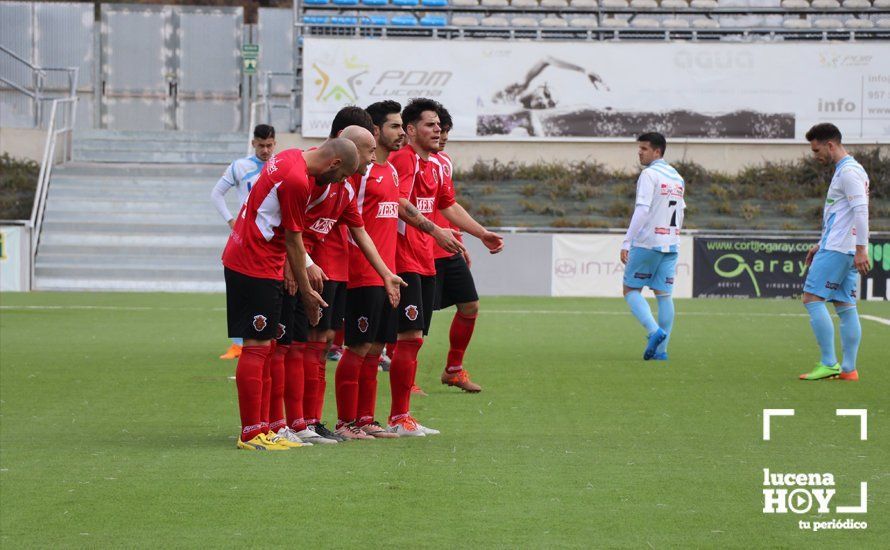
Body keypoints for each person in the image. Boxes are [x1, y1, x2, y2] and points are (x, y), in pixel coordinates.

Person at [223, 138, 359, 450]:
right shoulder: (298, 180)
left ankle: (265, 428)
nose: (338, 183)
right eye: (341, 176)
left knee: (268, 347)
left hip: (261, 261)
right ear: (334, 163)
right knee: (257, 347)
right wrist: (309, 294)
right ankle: (250, 433)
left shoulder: (290, 156)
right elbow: (294, 241)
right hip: (252, 262)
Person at [387, 98, 503, 437]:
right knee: (404, 337)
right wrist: (435, 230)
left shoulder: (437, 165)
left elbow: (447, 205)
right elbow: (399, 203)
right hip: (401, 258)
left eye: (440, 125)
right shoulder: (404, 159)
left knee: (414, 337)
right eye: (430, 125)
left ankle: (401, 415)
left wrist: (481, 233)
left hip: (425, 258)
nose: (438, 130)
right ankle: (396, 417)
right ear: (410, 130)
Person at [301, 108, 379, 442]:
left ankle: (311, 420)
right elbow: (291, 229)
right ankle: (294, 421)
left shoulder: (344, 186)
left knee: (323, 343)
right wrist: (303, 265)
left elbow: (359, 231)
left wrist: (386, 273)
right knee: (298, 345)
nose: (370, 158)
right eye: (367, 148)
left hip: (335, 270)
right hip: (308, 269)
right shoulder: (309, 174)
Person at [332, 100, 406, 439]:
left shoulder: (390, 171)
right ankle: (345, 421)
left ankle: (365, 419)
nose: (401, 132)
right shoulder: (359, 172)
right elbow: (349, 224)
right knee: (358, 347)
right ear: (375, 131)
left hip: (387, 272)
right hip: (362, 273)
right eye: (394, 126)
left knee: (376, 349)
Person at [798, 123, 870, 381]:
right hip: (843, 247)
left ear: (830, 145)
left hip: (840, 248)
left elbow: (861, 212)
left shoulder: (848, 173)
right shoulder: (853, 170)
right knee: (845, 306)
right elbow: (842, 215)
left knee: (812, 299)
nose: (814, 155)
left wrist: (862, 248)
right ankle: (849, 369)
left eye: (816, 149)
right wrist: (820, 243)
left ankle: (829, 363)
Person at [427, 105, 483, 393]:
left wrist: (460, 243)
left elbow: (447, 206)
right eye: (439, 130)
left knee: (470, 305)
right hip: (422, 248)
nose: (443, 136)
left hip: (448, 248)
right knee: (412, 322)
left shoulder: (444, 162)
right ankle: (407, 381)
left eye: (446, 131)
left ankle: (454, 369)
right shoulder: (407, 162)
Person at [211, 124, 276, 360]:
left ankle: (267, 336)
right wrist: (231, 220)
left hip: (269, 239)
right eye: (261, 146)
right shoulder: (240, 166)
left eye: (269, 145)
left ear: (275, 144)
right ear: (253, 144)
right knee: (241, 286)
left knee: (266, 289)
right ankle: (238, 343)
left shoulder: (279, 166)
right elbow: (216, 193)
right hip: (245, 237)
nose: (266, 150)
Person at [619, 132, 685, 361]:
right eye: (639, 148)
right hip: (671, 243)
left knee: (630, 290)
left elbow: (643, 209)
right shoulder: (677, 177)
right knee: (664, 295)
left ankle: (653, 331)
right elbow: (681, 211)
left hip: (648, 242)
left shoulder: (649, 174)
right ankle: (662, 351)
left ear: (657, 151)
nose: (640, 152)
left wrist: (627, 240)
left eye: (644, 148)